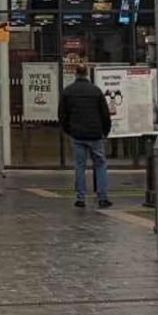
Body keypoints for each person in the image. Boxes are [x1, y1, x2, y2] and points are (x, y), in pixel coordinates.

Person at [59, 62, 113, 208]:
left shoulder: (68, 92)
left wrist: (69, 130)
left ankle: (80, 198)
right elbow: (105, 114)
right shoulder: (96, 91)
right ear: (87, 74)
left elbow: (62, 115)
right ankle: (102, 197)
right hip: (95, 134)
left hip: (77, 135)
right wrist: (105, 131)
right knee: (100, 164)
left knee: (80, 166)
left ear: (75, 74)